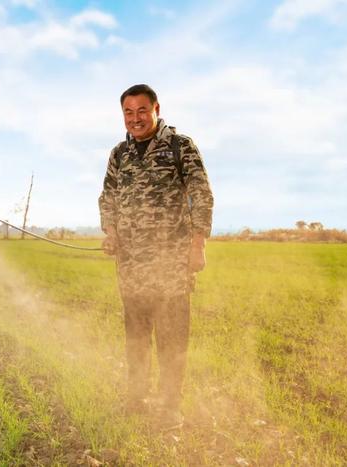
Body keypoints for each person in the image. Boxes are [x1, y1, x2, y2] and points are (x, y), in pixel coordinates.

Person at [98, 84, 213, 430]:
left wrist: (198, 244)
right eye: (128, 113)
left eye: (141, 111)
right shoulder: (120, 154)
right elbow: (108, 197)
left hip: (170, 266)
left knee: (172, 339)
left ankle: (170, 409)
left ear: (156, 109)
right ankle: (136, 399)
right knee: (136, 339)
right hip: (131, 267)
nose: (135, 119)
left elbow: (201, 194)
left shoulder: (180, 147)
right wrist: (111, 232)